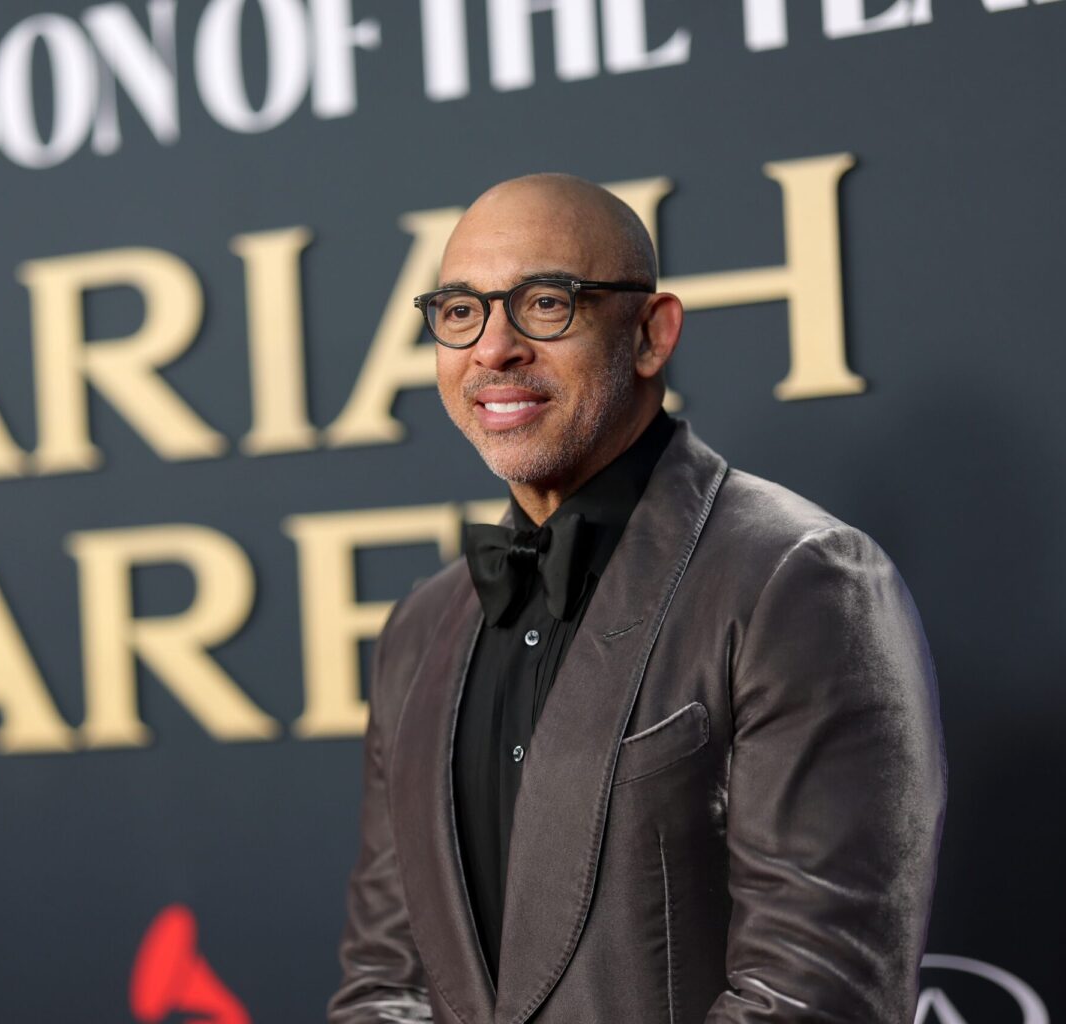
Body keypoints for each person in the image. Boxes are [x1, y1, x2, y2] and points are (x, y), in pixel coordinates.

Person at [326, 174, 946, 1023]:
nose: (494, 348)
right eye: (461, 311)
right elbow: (385, 982)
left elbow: (815, 996)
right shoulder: (420, 628)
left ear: (652, 334)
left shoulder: (800, 579)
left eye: (546, 303)